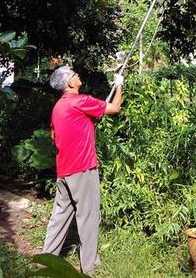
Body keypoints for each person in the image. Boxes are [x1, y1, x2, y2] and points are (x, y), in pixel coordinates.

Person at [42, 65, 124, 275]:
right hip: (83, 169)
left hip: (64, 171)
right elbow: (114, 108)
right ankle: (88, 268)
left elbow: (54, 137)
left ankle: (45, 261)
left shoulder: (57, 107)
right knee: (87, 218)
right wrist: (119, 84)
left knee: (59, 218)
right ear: (70, 82)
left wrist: (82, 128)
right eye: (75, 75)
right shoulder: (81, 101)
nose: (78, 76)